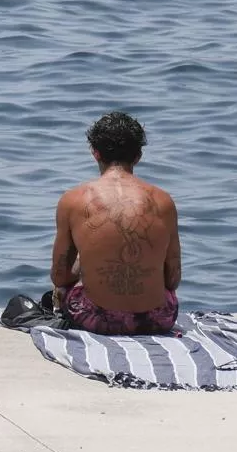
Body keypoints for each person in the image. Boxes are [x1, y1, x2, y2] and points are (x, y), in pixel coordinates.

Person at [50, 112, 182, 335]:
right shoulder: (163, 201)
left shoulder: (73, 200)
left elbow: (60, 276)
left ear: (95, 153)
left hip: (95, 319)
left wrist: (85, 261)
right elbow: (173, 278)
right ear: (138, 156)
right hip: (156, 319)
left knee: (61, 290)